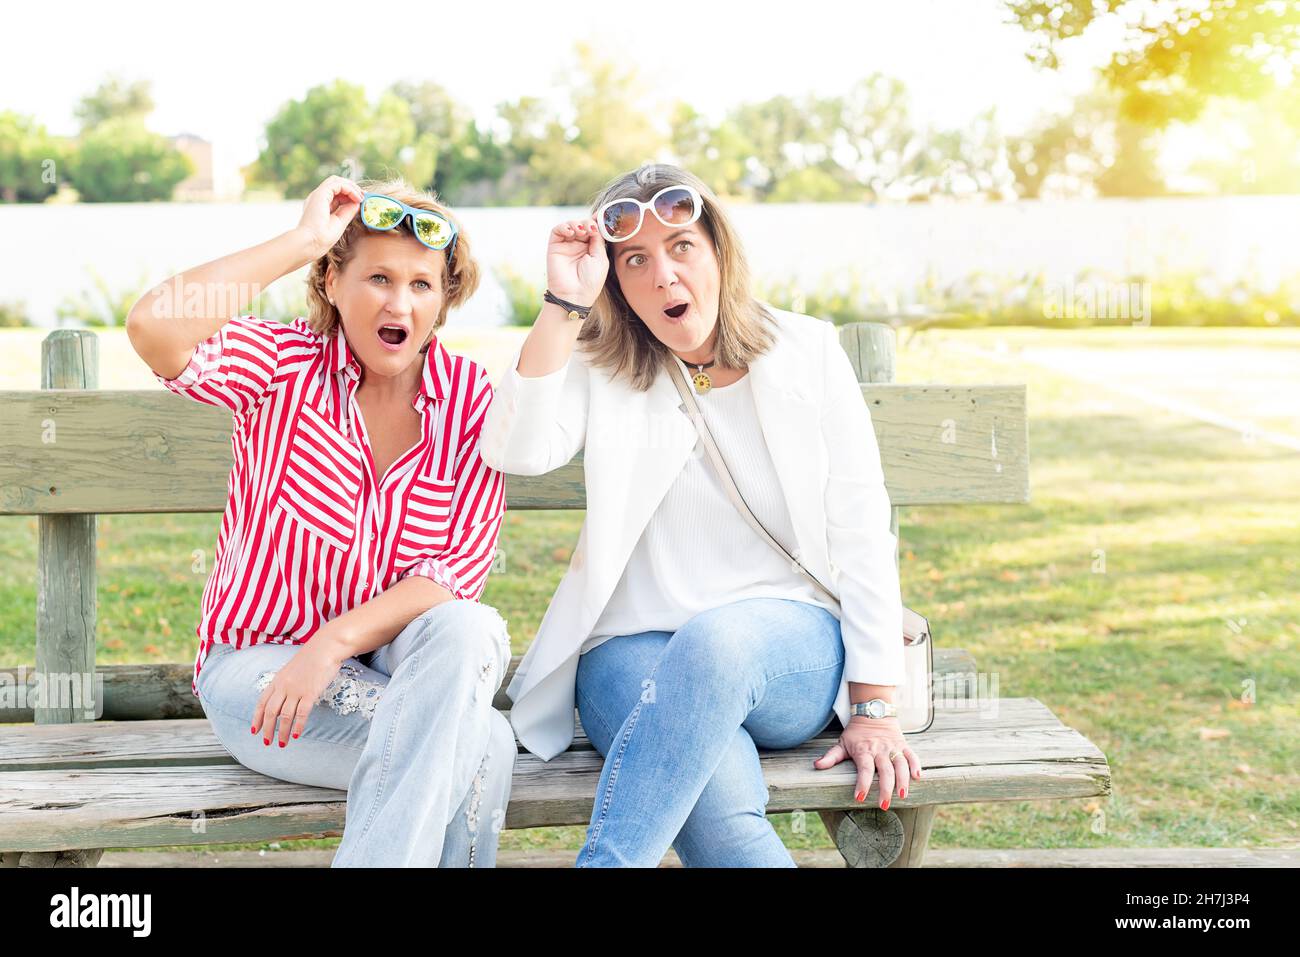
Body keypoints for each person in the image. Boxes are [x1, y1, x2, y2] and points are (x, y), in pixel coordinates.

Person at [478, 163, 924, 867]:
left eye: (682, 245)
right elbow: (517, 449)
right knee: (721, 814)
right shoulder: (600, 360)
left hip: (786, 649)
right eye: (635, 260)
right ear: (616, 282)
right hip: (631, 651)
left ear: (719, 250)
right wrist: (564, 302)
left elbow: (862, 527)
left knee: (714, 643)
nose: (664, 276)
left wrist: (873, 706)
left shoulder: (806, 348)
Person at [124, 175, 516, 867]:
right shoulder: (280, 366)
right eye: (378, 278)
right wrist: (302, 238)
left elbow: (455, 575)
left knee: (472, 627)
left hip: (387, 661)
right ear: (332, 281)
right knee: (482, 741)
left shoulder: (471, 401)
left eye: (422, 284)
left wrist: (333, 642)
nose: (401, 302)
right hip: (258, 673)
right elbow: (155, 326)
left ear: (444, 299)